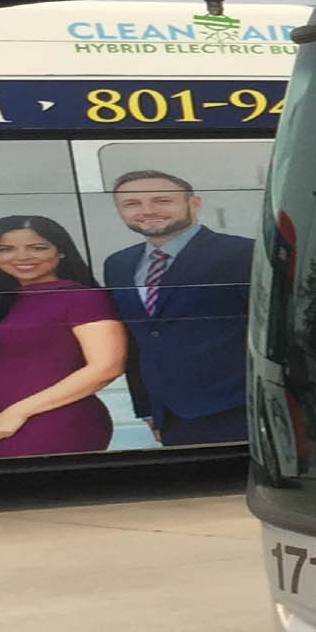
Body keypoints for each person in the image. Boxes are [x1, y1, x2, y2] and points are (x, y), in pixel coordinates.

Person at [102, 169, 256, 446]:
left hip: (240, 407)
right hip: (172, 415)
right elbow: (137, 341)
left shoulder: (243, 254)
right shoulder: (118, 265)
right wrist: (148, 408)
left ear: (194, 203)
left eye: (162, 200)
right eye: (132, 203)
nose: (147, 211)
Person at [0, 217, 129, 458]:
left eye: (38, 247)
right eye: (6, 249)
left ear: (61, 252)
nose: (22, 257)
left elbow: (107, 367)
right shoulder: (2, 303)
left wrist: (17, 412)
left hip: (57, 422)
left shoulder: (83, 298)